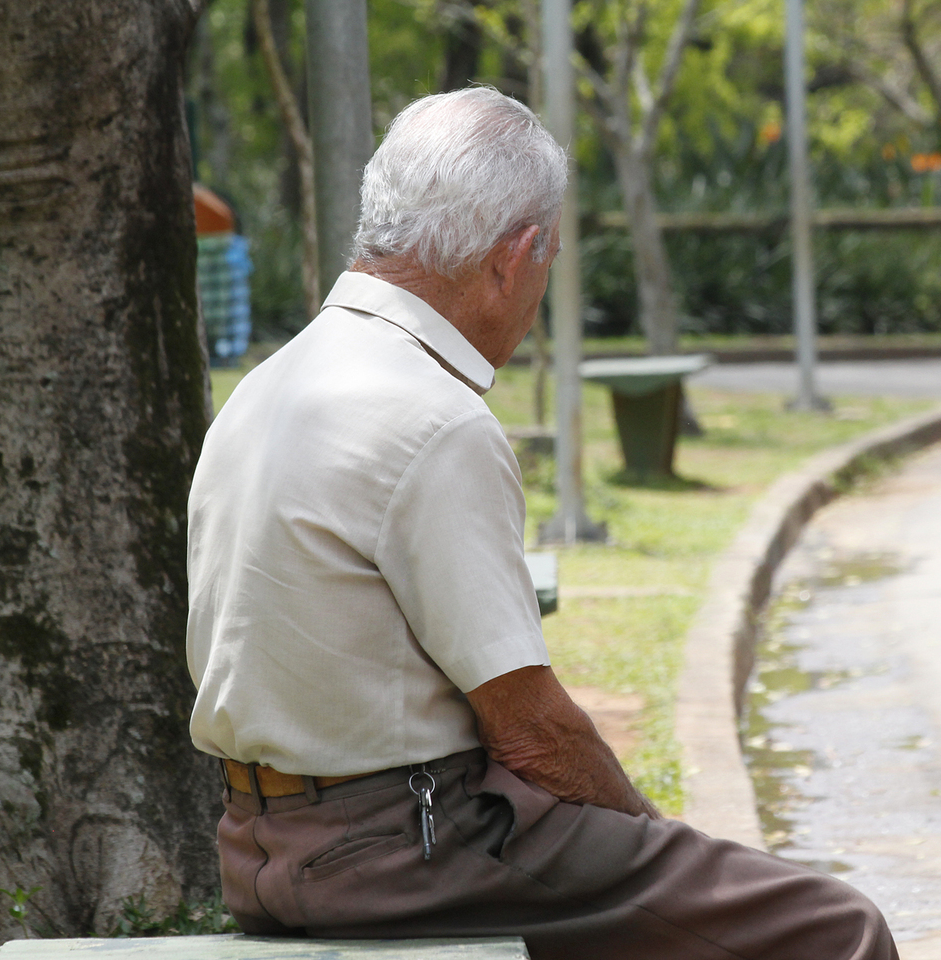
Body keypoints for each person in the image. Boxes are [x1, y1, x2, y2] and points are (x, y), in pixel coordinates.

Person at [185, 87, 897, 960]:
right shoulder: (434, 418)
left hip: (255, 847)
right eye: (550, 259)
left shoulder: (265, 386)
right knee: (836, 929)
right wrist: (652, 839)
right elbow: (532, 732)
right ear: (514, 257)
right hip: (406, 852)